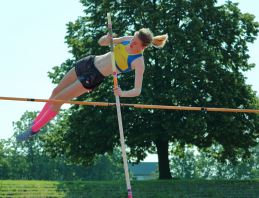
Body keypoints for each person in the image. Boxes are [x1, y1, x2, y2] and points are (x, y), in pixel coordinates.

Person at [16, 28, 168, 141]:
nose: (131, 43)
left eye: (135, 44)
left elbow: (137, 90)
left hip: (94, 76)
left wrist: (122, 93)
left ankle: (34, 130)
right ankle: (36, 121)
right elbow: (102, 43)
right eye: (133, 39)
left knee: (60, 98)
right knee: (56, 91)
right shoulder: (128, 38)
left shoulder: (138, 62)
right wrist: (106, 38)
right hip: (89, 62)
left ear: (143, 48)